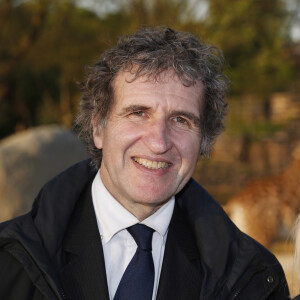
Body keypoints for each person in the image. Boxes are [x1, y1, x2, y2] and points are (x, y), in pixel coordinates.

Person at [0, 26, 289, 300]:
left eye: (181, 120)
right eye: (138, 113)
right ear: (98, 128)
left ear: (203, 141)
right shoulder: (11, 262)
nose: (159, 142)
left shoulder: (253, 280)